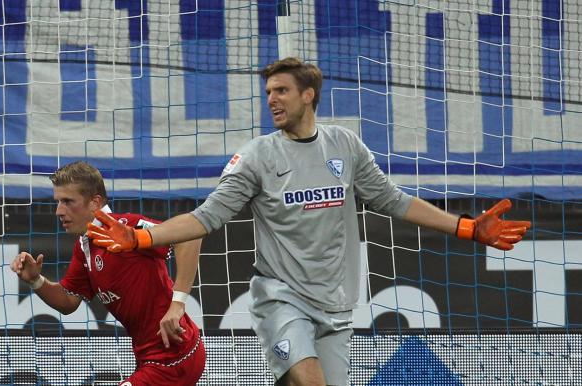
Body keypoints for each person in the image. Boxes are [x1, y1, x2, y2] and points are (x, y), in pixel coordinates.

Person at [87, 57, 531, 386]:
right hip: (281, 300)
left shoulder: (345, 146)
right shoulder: (257, 156)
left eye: (281, 91)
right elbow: (207, 217)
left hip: (336, 307)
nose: (272, 100)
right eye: (268, 93)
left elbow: (393, 201)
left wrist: (467, 227)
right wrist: (144, 236)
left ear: (308, 95)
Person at [10, 161, 205, 386]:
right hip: (149, 359)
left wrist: (178, 304)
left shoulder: (126, 228)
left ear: (95, 203)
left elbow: (191, 235)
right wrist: (36, 280)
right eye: (57, 202)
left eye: (67, 201)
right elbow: (68, 301)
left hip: (175, 357)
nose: (59, 211)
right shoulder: (85, 246)